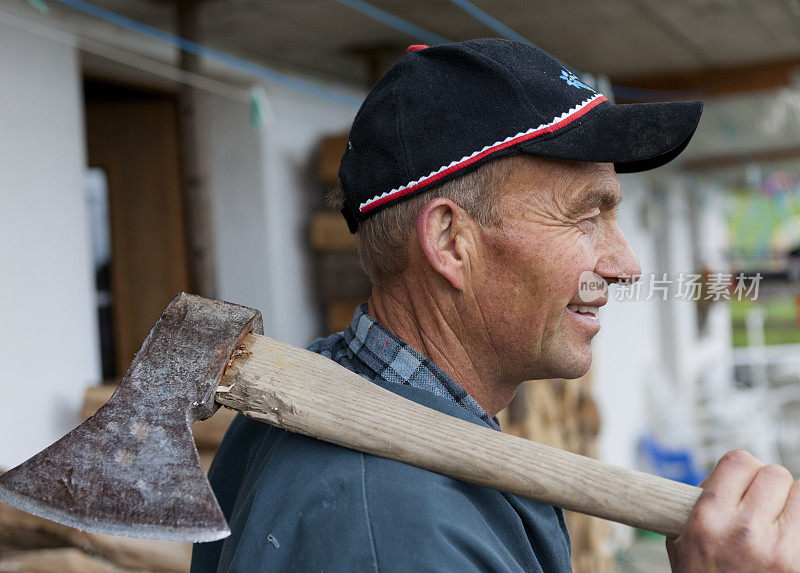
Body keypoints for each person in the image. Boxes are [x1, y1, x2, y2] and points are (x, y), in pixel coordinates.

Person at [191, 39, 800, 572]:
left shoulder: (323, 395)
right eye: (587, 216)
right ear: (452, 244)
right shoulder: (392, 537)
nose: (627, 265)